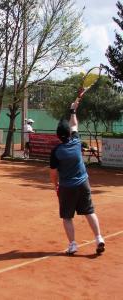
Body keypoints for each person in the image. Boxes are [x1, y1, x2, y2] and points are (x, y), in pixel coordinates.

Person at [49, 96, 105, 255]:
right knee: (89, 212)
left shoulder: (56, 152)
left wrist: (56, 186)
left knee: (67, 217)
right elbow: (74, 124)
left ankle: (73, 245)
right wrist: (73, 109)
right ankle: (99, 238)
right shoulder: (76, 141)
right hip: (83, 184)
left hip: (67, 187)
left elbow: (53, 174)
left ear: (58, 136)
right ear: (69, 133)